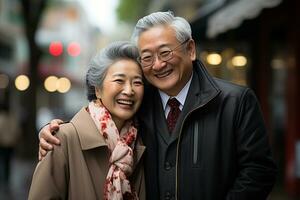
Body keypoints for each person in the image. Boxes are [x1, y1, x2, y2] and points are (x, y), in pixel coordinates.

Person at [38, 11, 277, 200]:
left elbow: (258, 172)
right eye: (147, 57)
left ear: (191, 49)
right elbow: (97, 121)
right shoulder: (137, 103)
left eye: (165, 52)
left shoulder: (235, 101)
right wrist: (52, 131)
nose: (158, 64)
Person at [29, 41, 146, 200]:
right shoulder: (61, 139)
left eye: (137, 82)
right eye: (119, 80)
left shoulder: (141, 140)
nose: (129, 90)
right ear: (97, 89)